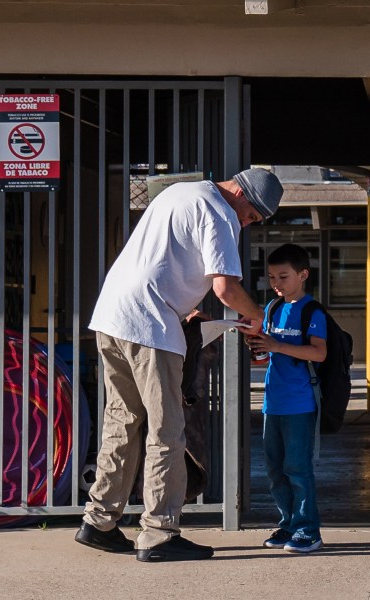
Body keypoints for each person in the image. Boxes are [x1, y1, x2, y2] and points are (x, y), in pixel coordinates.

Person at [74, 168, 283, 562]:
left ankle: (99, 521)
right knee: (167, 430)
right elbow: (225, 287)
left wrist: (185, 308)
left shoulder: (180, 193)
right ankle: (158, 533)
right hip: (150, 324)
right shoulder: (220, 212)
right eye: (251, 215)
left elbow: (164, 260)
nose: (247, 223)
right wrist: (256, 316)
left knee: (122, 419)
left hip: (113, 316)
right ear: (239, 192)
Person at [247, 243, 327, 553]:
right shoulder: (271, 308)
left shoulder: (312, 310)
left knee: (297, 467)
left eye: (283, 276)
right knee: (275, 469)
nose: (276, 284)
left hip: (300, 403)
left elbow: (319, 352)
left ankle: (309, 529)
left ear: (303, 275)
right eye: (271, 277)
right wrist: (259, 346)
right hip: (273, 402)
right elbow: (269, 352)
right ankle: (289, 523)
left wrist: (277, 346)